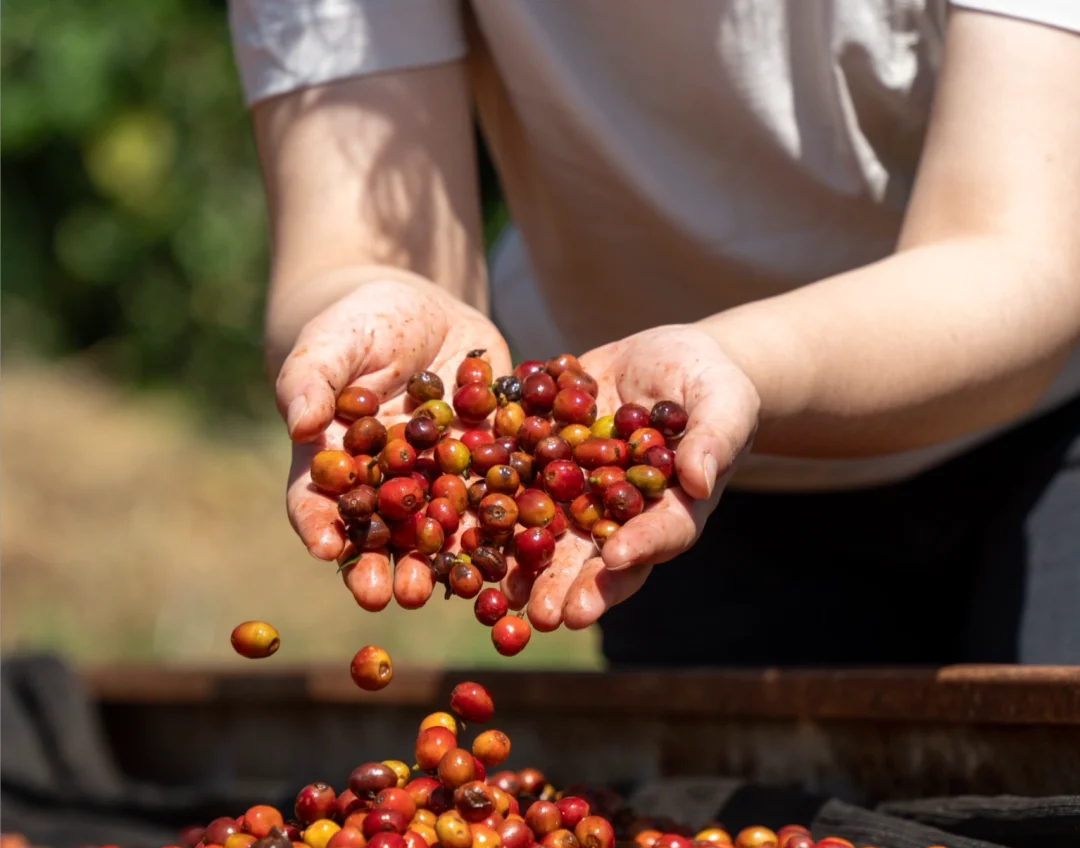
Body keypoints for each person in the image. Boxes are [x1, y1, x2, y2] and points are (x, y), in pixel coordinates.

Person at [228, 0, 1080, 665]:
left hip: (1042, 438)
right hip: (668, 485)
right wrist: (371, 309)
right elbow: (363, 240)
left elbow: (1019, 255)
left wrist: (739, 365)